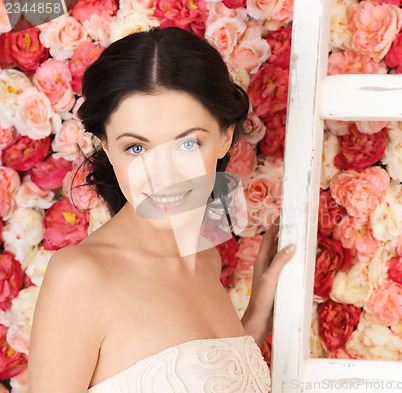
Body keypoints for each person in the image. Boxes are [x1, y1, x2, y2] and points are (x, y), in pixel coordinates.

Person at [27, 26, 296, 393]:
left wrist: (254, 326)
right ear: (105, 146)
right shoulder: (81, 277)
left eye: (187, 144)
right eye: (136, 148)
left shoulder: (206, 259)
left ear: (225, 137)